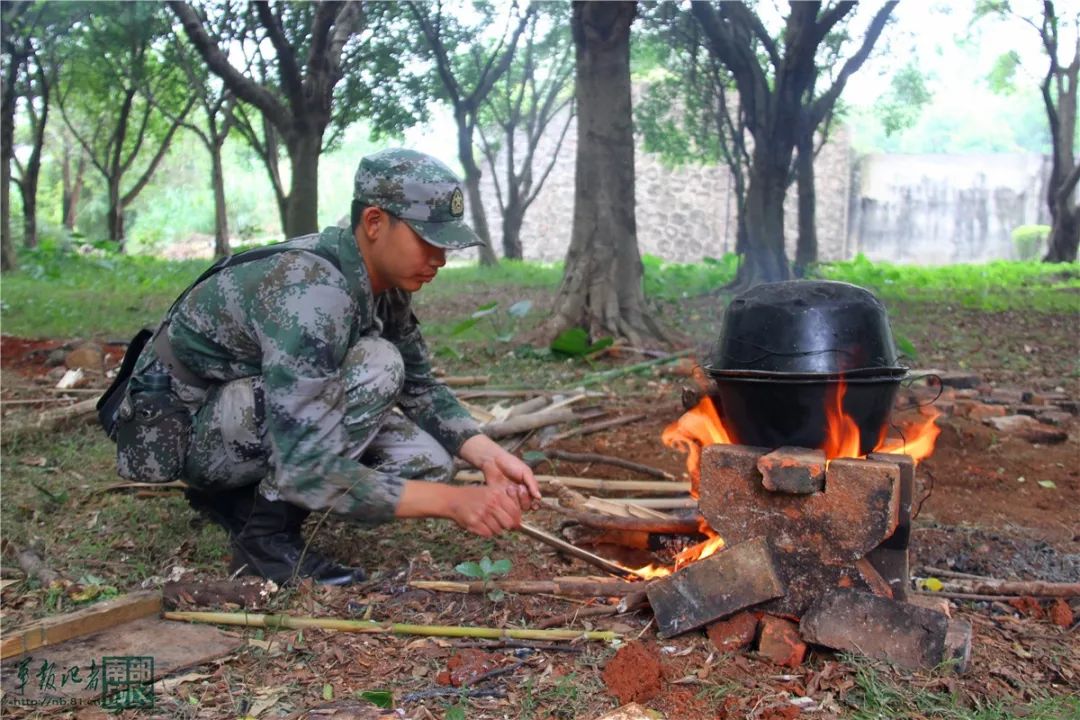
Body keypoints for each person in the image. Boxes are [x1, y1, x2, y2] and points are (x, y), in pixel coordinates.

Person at [119, 148, 540, 586]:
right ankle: (263, 541)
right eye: (428, 239)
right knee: (378, 364)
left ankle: (243, 501)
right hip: (192, 430)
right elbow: (305, 465)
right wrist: (454, 503)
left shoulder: (384, 282)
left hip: (244, 415)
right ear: (375, 223)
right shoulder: (312, 294)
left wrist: (487, 453)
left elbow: (420, 386)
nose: (441, 258)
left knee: (427, 460)